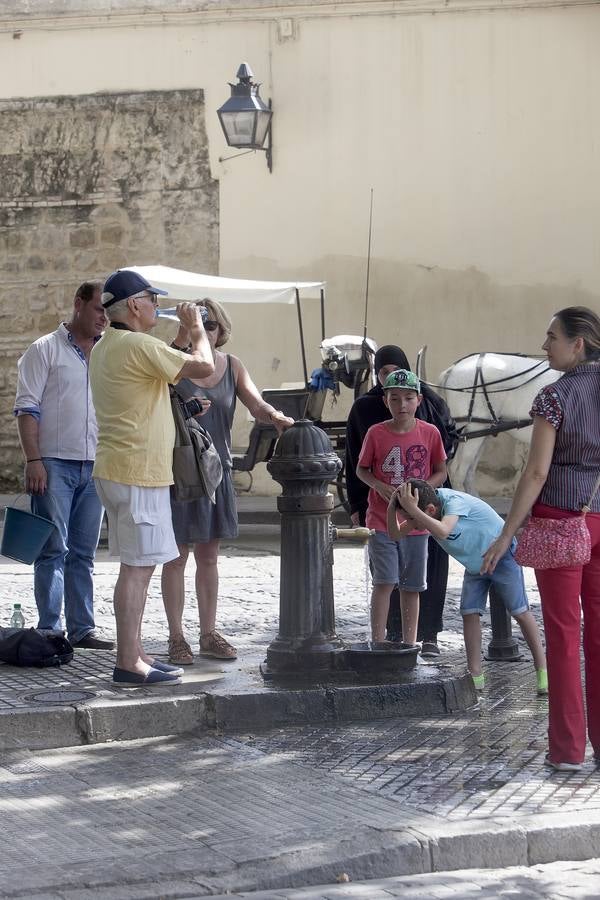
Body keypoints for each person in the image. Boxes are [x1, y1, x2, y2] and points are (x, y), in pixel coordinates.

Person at [481, 306, 600, 772]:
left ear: (579, 343)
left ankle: (569, 751)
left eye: (552, 337)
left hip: (559, 523)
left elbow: (536, 472)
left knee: (564, 634)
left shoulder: (553, 397)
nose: (543, 345)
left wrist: (505, 532)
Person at [89, 270, 214, 686]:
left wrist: (178, 337)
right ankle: (129, 661)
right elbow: (204, 368)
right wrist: (197, 329)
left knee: (134, 565)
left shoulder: (111, 344)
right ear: (136, 306)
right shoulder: (138, 345)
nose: (154, 304)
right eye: (149, 298)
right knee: (139, 569)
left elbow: (162, 366)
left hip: (120, 469)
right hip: (139, 473)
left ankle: (136, 652)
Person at [161, 298, 294, 665]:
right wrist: (180, 336)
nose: (204, 330)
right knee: (176, 557)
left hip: (215, 472)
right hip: (181, 472)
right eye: (198, 323)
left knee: (209, 556)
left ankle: (208, 632)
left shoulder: (232, 366)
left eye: (211, 325)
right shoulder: (174, 361)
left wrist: (276, 416)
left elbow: (256, 403)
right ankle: (176, 637)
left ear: (222, 330)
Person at [14, 281, 114, 650]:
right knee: (53, 548)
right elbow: (27, 409)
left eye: (108, 311)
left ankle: (82, 629)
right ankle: (50, 631)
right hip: (53, 463)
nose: (104, 317)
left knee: (85, 552)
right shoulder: (44, 349)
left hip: (97, 464)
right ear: (78, 304)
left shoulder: (108, 352)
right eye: (98, 309)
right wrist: (33, 460)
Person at [346, 345, 457, 654]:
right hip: (381, 520)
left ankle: (413, 643)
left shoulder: (431, 429)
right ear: (385, 398)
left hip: (417, 522)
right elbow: (359, 467)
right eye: (394, 397)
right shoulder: (373, 429)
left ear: (418, 399)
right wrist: (377, 489)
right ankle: (379, 640)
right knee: (384, 581)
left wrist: (421, 492)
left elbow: (440, 469)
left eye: (408, 398)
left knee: (413, 585)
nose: (402, 404)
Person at [392, 479, 547, 695]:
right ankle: (476, 675)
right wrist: (394, 506)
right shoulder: (427, 512)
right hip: (476, 565)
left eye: (410, 516)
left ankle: (542, 670)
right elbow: (395, 533)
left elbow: (444, 530)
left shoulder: (453, 501)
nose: (411, 522)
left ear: (430, 509)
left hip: (501, 556)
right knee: (469, 612)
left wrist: (412, 510)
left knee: (519, 611)